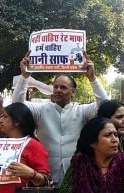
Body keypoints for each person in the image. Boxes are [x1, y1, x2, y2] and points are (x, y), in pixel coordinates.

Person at [13, 51, 108, 184]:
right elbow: (17, 105)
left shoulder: (82, 110)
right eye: (55, 87)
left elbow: (105, 105)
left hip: (77, 176)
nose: (58, 90)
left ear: (72, 92)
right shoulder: (41, 109)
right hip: (44, 175)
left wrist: (92, 79)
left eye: (63, 87)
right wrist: (24, 77)